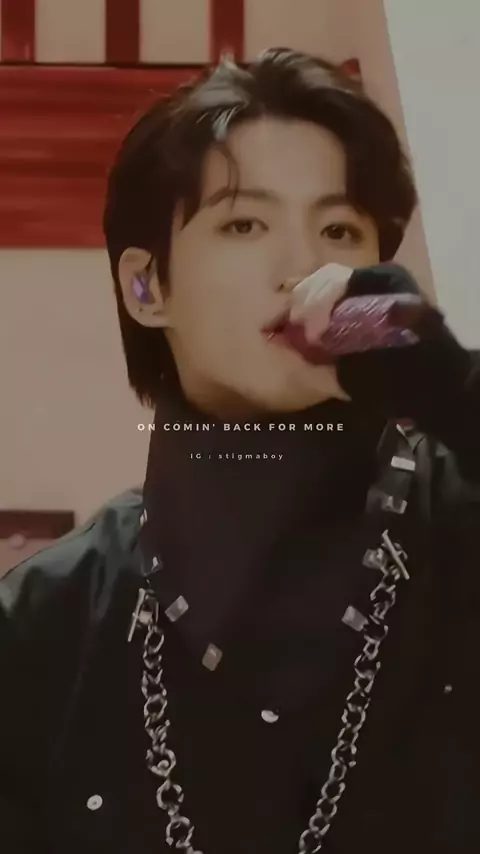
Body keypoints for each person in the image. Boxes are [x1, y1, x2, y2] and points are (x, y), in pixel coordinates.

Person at [1, 47, 479, 854]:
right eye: (244, 224)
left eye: (339, 229)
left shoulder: (458, 524)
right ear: (146, 287)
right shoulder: (46, 622)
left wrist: (449, 386)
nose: (304, 268)